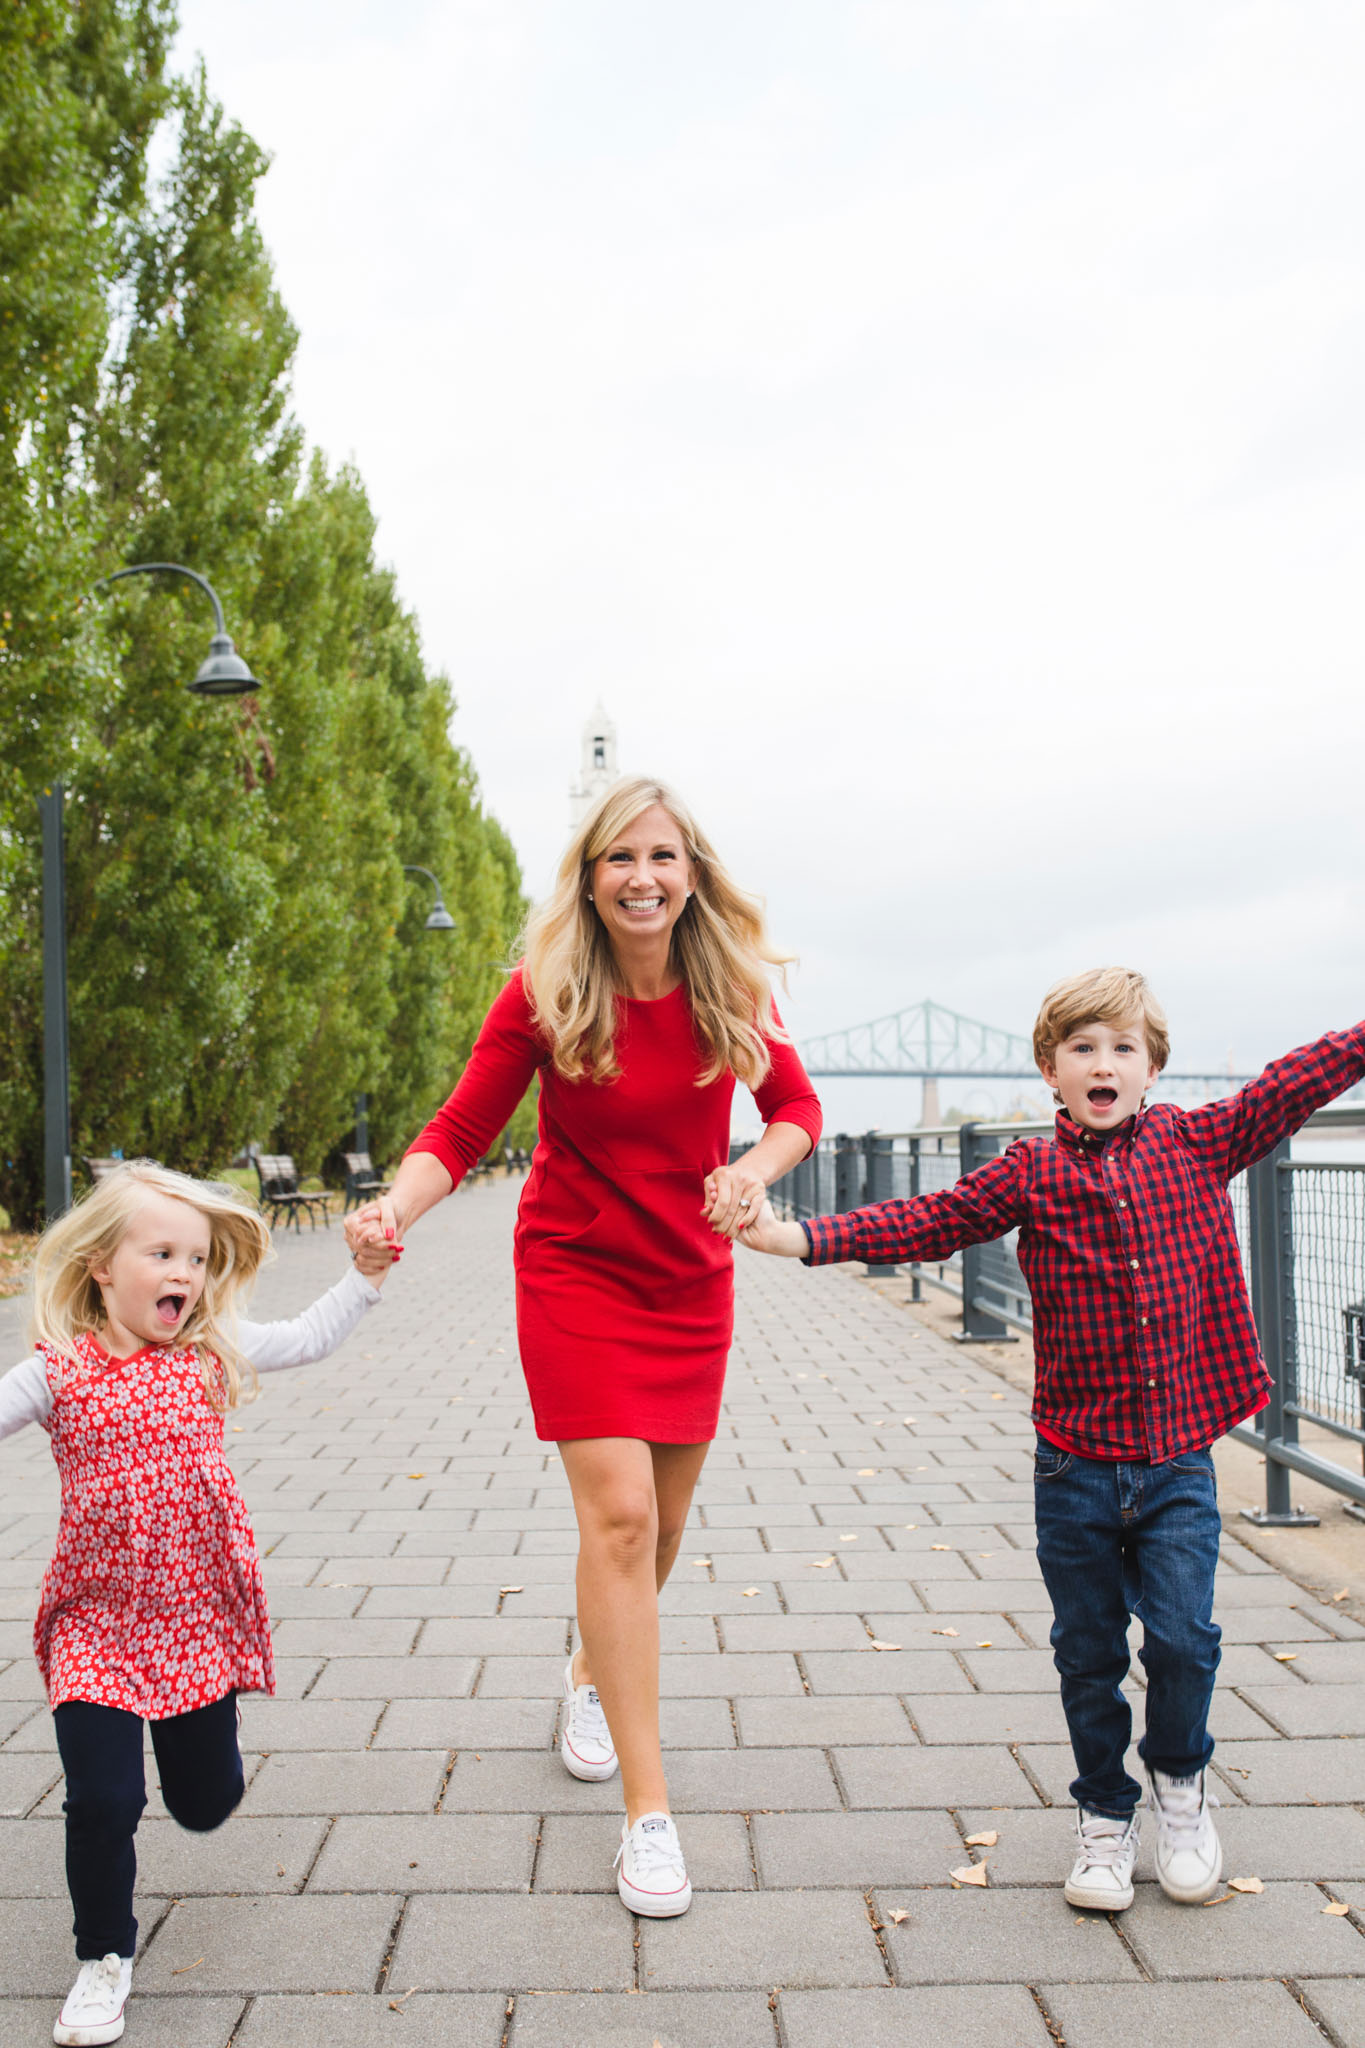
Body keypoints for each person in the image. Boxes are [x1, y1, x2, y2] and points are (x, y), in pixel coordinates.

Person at [739, 967, 1365, 1913]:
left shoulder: (1200, 1140)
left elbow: (1296, 1078)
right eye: (1083, 1049)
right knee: (1086, 1652)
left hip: (1177, 1461)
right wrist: (799, 1239)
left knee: (1186, 1642)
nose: (1103, 1063)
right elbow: (929, 1220)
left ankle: (1181, 1789)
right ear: (1050, 1071)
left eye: (1122, 1048)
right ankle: (1105, 1817)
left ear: (1154, 1069)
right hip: (1070, 1464)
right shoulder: (1029, 1172)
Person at [347, 776, 821, 1916]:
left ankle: (585, 1672)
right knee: (616, 1516)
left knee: (658, 1528)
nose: (642, 876)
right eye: (619, 857)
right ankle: (649, 1816)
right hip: (574, 1271)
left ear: (692, 873)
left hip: (690, 1278)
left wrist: (749, 1175)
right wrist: (388, 1214)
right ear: (591, 876)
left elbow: (796, 1108)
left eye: (663, 856)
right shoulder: (546, 991)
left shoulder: (729, 989)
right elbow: (460, 1128)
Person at [0, 1159, 396, 2046]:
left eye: (198, 1258)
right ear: (102, 1265)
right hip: (93, 1625)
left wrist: (364, 1278)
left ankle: (205, 1775)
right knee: (102, 1801)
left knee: (204, 1802)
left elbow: (306, 1335)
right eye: (163, 1254)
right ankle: (103, 1957)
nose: (185, 1274)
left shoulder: (210, 1353)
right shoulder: (57, 1373)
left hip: (191, 1624)